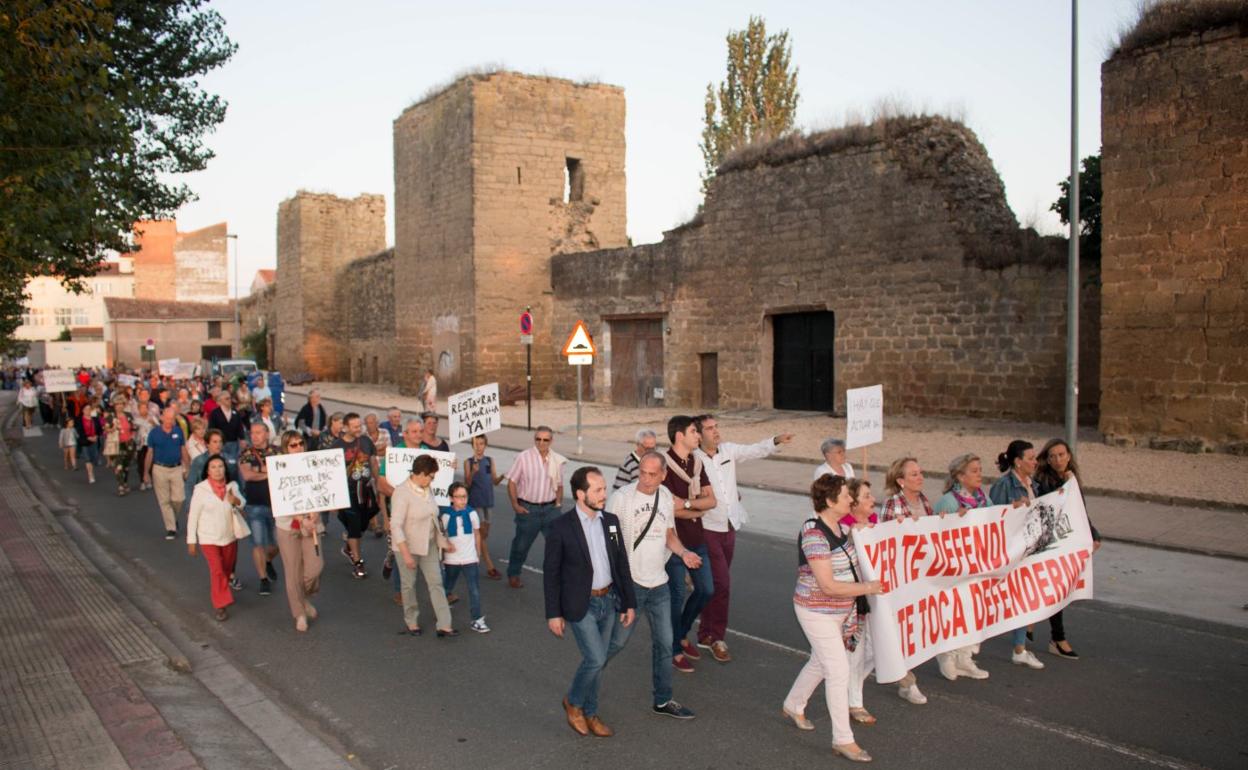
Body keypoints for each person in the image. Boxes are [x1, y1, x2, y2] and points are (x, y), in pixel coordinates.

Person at [782, 474, 882, 763]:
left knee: (820, 662)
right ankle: (843, 739)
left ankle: (793, 704)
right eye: (845, 495)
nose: (851, 499)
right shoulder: (814, 534)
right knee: (838, 670)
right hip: (816, 611)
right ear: (829, 501)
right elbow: (827, 585)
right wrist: (868, 588)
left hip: (839, 611)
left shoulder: (839, 527)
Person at [544, 466, 636, 738]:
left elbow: (620, 562)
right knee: (596, 659)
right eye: (597, 490)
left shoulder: (610, 521)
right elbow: (552, 574)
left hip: (608, 600)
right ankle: (574, 702)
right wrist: (553, 613)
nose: (604, 494)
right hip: (579, 604)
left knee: (598, 662)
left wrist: (628, 602)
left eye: (604, 488)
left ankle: (591, 712)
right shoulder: (560, 527)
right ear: (580, 494)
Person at [606, 451, 699, 720]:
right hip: (631, 585)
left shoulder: (666, 497)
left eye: (652, 474)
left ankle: (663, 699)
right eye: (642, 473)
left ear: (663, 475)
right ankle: (584, 688)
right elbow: (609, 543)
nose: (645, 479)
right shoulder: (621, 499)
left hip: (659, 585)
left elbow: (669, 534)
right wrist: (619, 586)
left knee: (665, 643)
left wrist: (683, 554)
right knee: (616, 643)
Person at [694, 414, 792, 663]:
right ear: (698, 434)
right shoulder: (693, 459)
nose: (716, 432)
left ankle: (704, 632)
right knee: (723, 585)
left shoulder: (728, 450)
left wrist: (776, 441)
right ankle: (717, 637)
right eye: (709, 428)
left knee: (714, 585)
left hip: (730, 526)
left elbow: (754, 450)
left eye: (717, 427)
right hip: (707, 527)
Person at [1035, 438, 1103, 660]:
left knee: (1056, 588)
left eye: (1061, 455)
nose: (1057, 460)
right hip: (1052, 542)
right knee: (1055, 589)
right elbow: (1053, 508)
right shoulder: (1044, 481)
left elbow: (1079, 510)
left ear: (1069, 456)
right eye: (1052, 456)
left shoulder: (1072, 478)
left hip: (1067, 540)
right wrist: (1065, 485)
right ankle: (1057, 637)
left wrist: (1093, 534)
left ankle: (1029, 626)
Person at [930, 452, 993, 681]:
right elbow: (936, 531)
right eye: (974, 471)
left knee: (974, 611)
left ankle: (965, 657)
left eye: (980, 470)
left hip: (978, 564)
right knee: (953, 611)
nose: (979, 475)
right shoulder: (948, 501)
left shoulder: (984, 500)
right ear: (960, 476)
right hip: (954, 568)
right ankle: (947, 655)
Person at [662, 416, 717, 674]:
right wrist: (695, 506)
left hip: (697, 538)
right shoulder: (663, 465)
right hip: (673, 542)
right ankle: (673, 648)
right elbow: (666, 510)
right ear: (679, 435)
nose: (699, 435)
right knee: (676, 597)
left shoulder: (696, 463)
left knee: (706, 590)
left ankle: (682, 633)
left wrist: (685, 504)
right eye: (694, 431)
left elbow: (712, 501)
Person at [878, 456, 932, 705]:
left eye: (920, 473)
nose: (920, 477)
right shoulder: (893, 504)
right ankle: (906, 681)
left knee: (916, 629)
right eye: (913, 474)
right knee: (901, 630)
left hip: (922, 576)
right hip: (901, 578)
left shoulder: (924, 501)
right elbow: (886, 541)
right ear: (900, 481)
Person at [988, 439, 1045, 670]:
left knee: (1025, 598)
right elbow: (993, 515)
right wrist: (1013, 508)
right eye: (1030, 458)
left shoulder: (1034, 484)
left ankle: (1019, 647)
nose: (1035, 462)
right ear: (1017, 462)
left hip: (1028, 547)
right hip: (1011, 551)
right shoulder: (1004, 485)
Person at [391, 454, 456, 636]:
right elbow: (395, 525)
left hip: (429, 545)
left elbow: (433, 518)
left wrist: (443, 542)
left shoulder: (427, 489)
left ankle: (444, 624)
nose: (432, 480)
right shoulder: (402, 492)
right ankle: (411, 621)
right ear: (419, 473)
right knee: (409, 585)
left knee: (436, 582)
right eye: (430, 476)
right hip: (408, 547)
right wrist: (405, 555)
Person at [273, 430, 324, 632]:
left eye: (300, 443)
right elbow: (280, 500)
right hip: (288, 526)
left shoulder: (313, 466)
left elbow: (323, 492)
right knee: (293, 572)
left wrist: (315, 515)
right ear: (286, 448)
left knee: (314, 568)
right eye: (293, 445)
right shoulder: (279, 469)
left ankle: (303, 598)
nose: (298, 447)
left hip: (311, 526)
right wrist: (301, 519)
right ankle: (299, 613)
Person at [186, 454, 247, 621]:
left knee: (226, 570)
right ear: (207, 470)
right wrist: (191, 540)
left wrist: (235, 500)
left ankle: (222, 590)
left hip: (229, 536)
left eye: (220, 466)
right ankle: (220, 605)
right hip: (208, 538)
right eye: (213, 467)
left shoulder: (231, 486)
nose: (217, 470)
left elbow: (242, 502)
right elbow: (193, 516)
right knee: (217, 570)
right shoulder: (200, 489)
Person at [505, 426, 564, 588]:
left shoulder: (556, 460)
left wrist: (558, 504)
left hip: (551, 510)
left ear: (551, 441)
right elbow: (511, 482)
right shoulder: (523, 457)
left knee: (557, 546)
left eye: (545, 440)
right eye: (538, 439)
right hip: (528, 509)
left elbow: (559, 484)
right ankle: (514, 573)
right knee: (521, 546)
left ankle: (556, 577)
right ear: (534, 439)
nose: (541, 442)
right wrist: (515, 505)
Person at [842, 479, 879, 726]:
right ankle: (854, 702)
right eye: (866, 496)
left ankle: (846, 686)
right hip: (855, 598)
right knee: (856, 651)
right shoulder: (844, 529)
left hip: (875, 595)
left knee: (878, 650)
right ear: (852, 503)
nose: (872, 500)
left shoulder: (876, 523)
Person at [334, 413, 380, 579]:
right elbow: (331, 474)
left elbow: (373, 462)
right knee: (355, 528)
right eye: (354, 426)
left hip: (366, 491)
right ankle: (358, 562)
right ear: (345, 427)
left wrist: (378, 481)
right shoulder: (337, 446)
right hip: (348, 493)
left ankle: (348, 547)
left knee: (364, 521)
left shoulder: (366, 441)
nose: (358, 429)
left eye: (359, 425)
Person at [441, 482, 489, 633]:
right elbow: (441, 535)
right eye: (458, 497)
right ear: (451, 498)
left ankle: (477, 619)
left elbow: (477, 533)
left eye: (464, 496)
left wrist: (478, 552)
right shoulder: (446, 515)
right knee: (447, 585)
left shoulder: (472, 513)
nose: (462, 500)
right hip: (452, 559)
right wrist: (445, 546)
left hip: (469, 558)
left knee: (474, 589)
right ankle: (441, 611)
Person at [239, 422, 280, 595]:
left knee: (277, 544)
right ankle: (263, 579)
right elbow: (248, 475)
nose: (255, 436)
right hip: (254, 504)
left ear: (266, 433)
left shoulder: (277, 452)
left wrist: (261, 470)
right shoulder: (246, 454)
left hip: (276, 505)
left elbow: (283, 472)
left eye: (258, 432)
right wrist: (269, 471)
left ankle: (268, 560)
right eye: (252, 433)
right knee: (258, 543)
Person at [464, 434, 503, 579]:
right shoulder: (468, 462)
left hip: (488, 501)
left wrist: (503, 476)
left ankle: (472, 546)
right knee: (480, 534)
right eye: (476, 444)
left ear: (485, 445)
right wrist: (473, 472)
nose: (479, 447)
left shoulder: (489, 461)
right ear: (472, 445)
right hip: (476, 502)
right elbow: (467, 483)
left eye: (481, 444)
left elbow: (494, 481)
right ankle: (490, 566)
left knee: (484, 533)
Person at [146, 406, 187, 540]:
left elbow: (183, 449)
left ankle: (172, 518)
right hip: (160, 468)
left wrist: (187, 466)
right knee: (164, 500)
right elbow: (150, 452)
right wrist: (146, 472)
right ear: (162, 417)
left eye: (172, 418)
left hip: (176, 468)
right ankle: (171, 528)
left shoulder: (178, 431)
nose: (170, 421)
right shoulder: (154, 433)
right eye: (167, 418)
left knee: (179, 498)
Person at [104, 397, 136, 496]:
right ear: (114, 406)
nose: (119, 406)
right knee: (118, 465)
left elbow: (133, 427)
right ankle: (120, 485)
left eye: (121, 404)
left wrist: (134, 431)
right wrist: (113, 428)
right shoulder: (111, 417)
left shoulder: (128, 415)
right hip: (116, 443)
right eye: (117, 404)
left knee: (126, 465)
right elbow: (106, 430)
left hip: (128, 442)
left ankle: (125, 482)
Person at [208, 391, 247, 462]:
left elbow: (240, 426)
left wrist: (242, 438)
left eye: (230, 398)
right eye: (227, 399)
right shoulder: (215, 413)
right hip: (221, 443)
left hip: (234, 443)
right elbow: (211, 429)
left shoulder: (235, 412)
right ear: (220, 401)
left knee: (234, 462)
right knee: (224, 462)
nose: (230, 400)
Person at [76, 404, 104, 485]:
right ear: (83, 411)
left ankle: (95, 462)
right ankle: (90, 475)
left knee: (94, 458)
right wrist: (88, 438)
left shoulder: (95, 419)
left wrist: (96, 436)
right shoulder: (80, 420)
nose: (88, 411)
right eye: (86, 409)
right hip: (85, 441)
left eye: (89, 409)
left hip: (94, 441)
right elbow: (79, 431)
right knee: (87, 459)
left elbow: (99, 430)